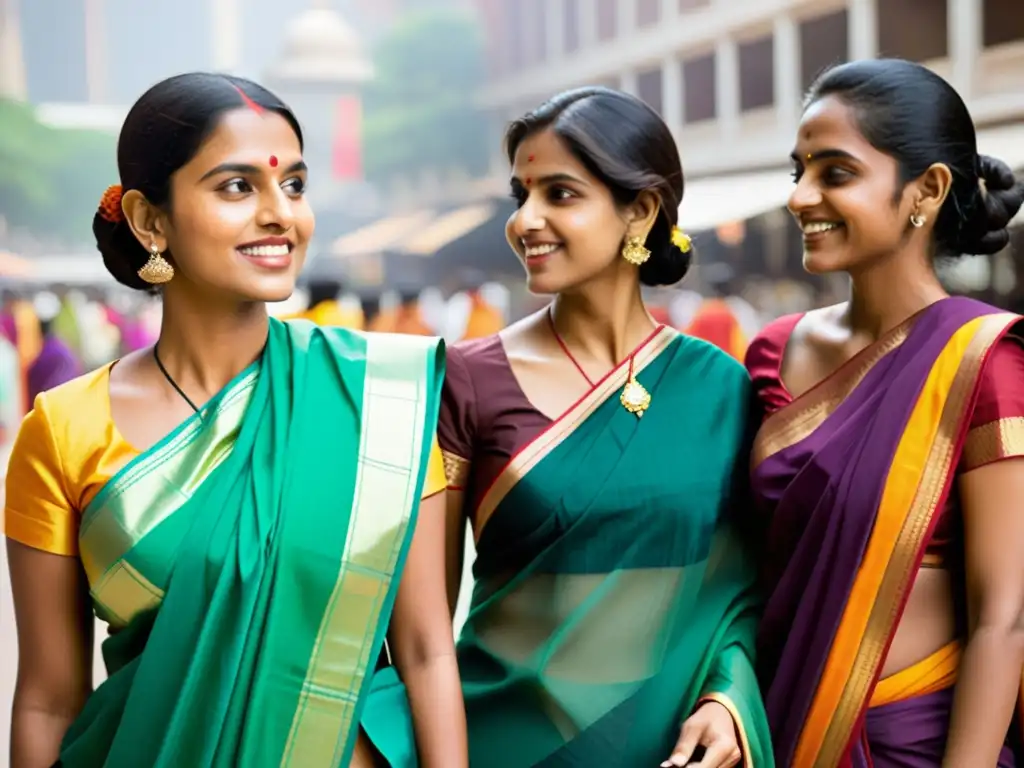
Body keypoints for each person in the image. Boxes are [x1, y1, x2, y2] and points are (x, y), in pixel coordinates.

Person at [4, 72, 467, 768]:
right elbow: (46, 697)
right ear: (148, 219)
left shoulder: (376, 401)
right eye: (236, 186)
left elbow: (428, 654)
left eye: (295, 185)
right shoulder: (63, 431)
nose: (281, 213)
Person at [439, 86, 771, 768]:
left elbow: (738, 589)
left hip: (666, 747)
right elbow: (421, 629)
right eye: (520, 196)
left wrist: (727, 698)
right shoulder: (464, 380)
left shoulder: (719, 388)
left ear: (640, 210)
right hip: (496, 741)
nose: (525, 221)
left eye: (559, 194)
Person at [745, 58, 1024, 767]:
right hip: (771, 728)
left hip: (911, 745)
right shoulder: (771, 354)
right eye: (797, 170)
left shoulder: (982, 362)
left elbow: (1005, 617)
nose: (801, 197)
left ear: (925, 190)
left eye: (835, 173)